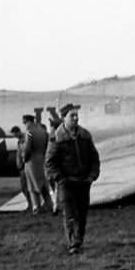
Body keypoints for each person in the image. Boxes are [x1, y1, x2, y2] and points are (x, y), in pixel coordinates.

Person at [44, 104, 100, 254]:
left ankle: (79, 239)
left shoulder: (85, 135)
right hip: (67, 183)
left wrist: (92, 176)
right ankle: (72, 243)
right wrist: (60, 179)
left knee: (82, 214)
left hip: (83, 182)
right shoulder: (56, 137)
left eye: (76, 115)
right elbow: (50, 162)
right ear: (64, 118)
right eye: (72, 116)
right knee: (69, 214)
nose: (76, 118)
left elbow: (94, 157)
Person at [19, 113, 52, 214]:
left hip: (31, 161)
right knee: (43, 184)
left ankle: (36, 207)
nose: (25, 125)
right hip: (42, 158)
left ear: (28, 122)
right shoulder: (43, 131)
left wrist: (24, 156)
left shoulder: (29, 132)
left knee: (32, 185)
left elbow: (28, 147)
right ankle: (50, 205)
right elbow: (48, 145)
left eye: (25, 123)